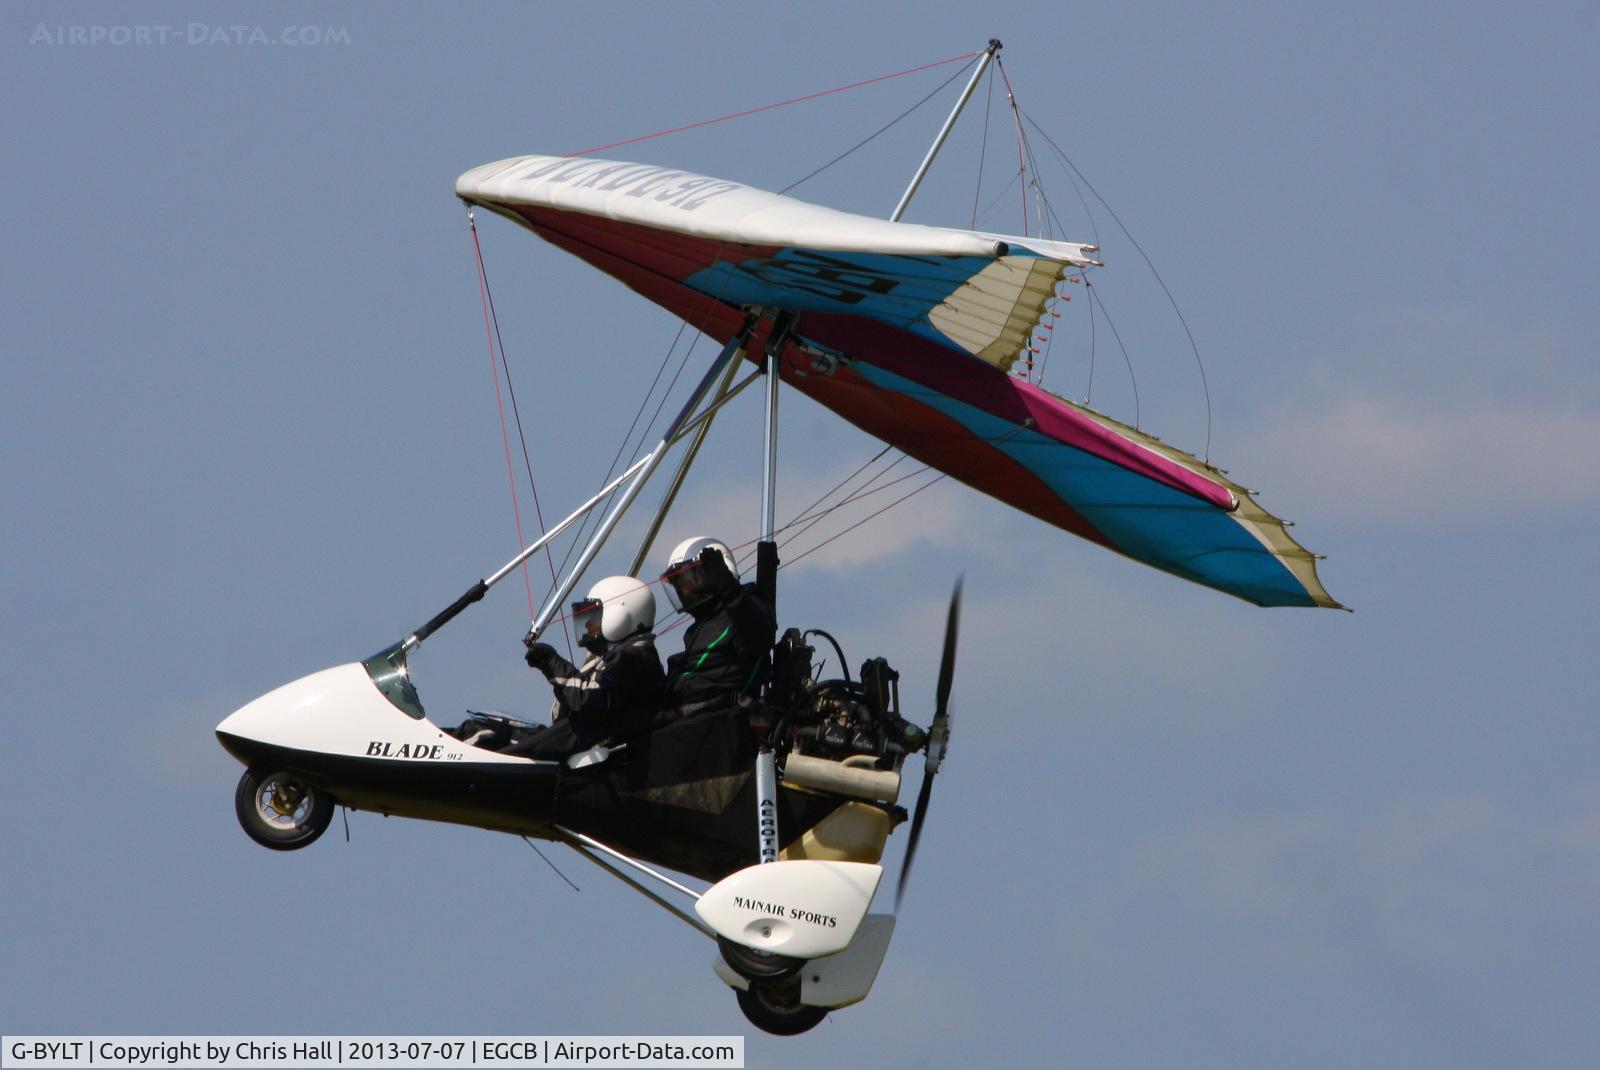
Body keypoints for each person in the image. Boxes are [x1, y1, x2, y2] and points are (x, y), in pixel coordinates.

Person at [500, 575, 666, 759]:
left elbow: (587, 700)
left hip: (596, 744)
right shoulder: (624, 657)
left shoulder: (633, 658)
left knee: (510, 754)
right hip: (582, 738)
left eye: (594, 619)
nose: (587, 625)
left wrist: (551, 661)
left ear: (619, 616)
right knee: (491, 729)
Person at [659, 536, 777, 717]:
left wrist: (730, 591)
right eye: (681, 584)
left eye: (689, 580)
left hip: (721, 723)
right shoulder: (697, 630)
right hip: (689, 722)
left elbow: (759, 633)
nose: (686, 590)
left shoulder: (744, 612)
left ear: (719, 570)